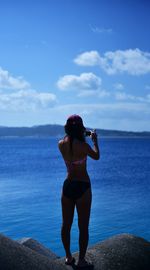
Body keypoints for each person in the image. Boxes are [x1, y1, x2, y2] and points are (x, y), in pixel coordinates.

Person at [58, 114, 100, 268]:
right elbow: (96, 156)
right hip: (82, 186)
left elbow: (71, 139)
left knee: (66, 225)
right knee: (83, 226)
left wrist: (80, 133)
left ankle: (68, 257)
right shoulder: (83, 146)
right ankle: (81, 259)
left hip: (68, 186)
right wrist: (94, 140)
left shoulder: (61, 144)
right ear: (81, 127)